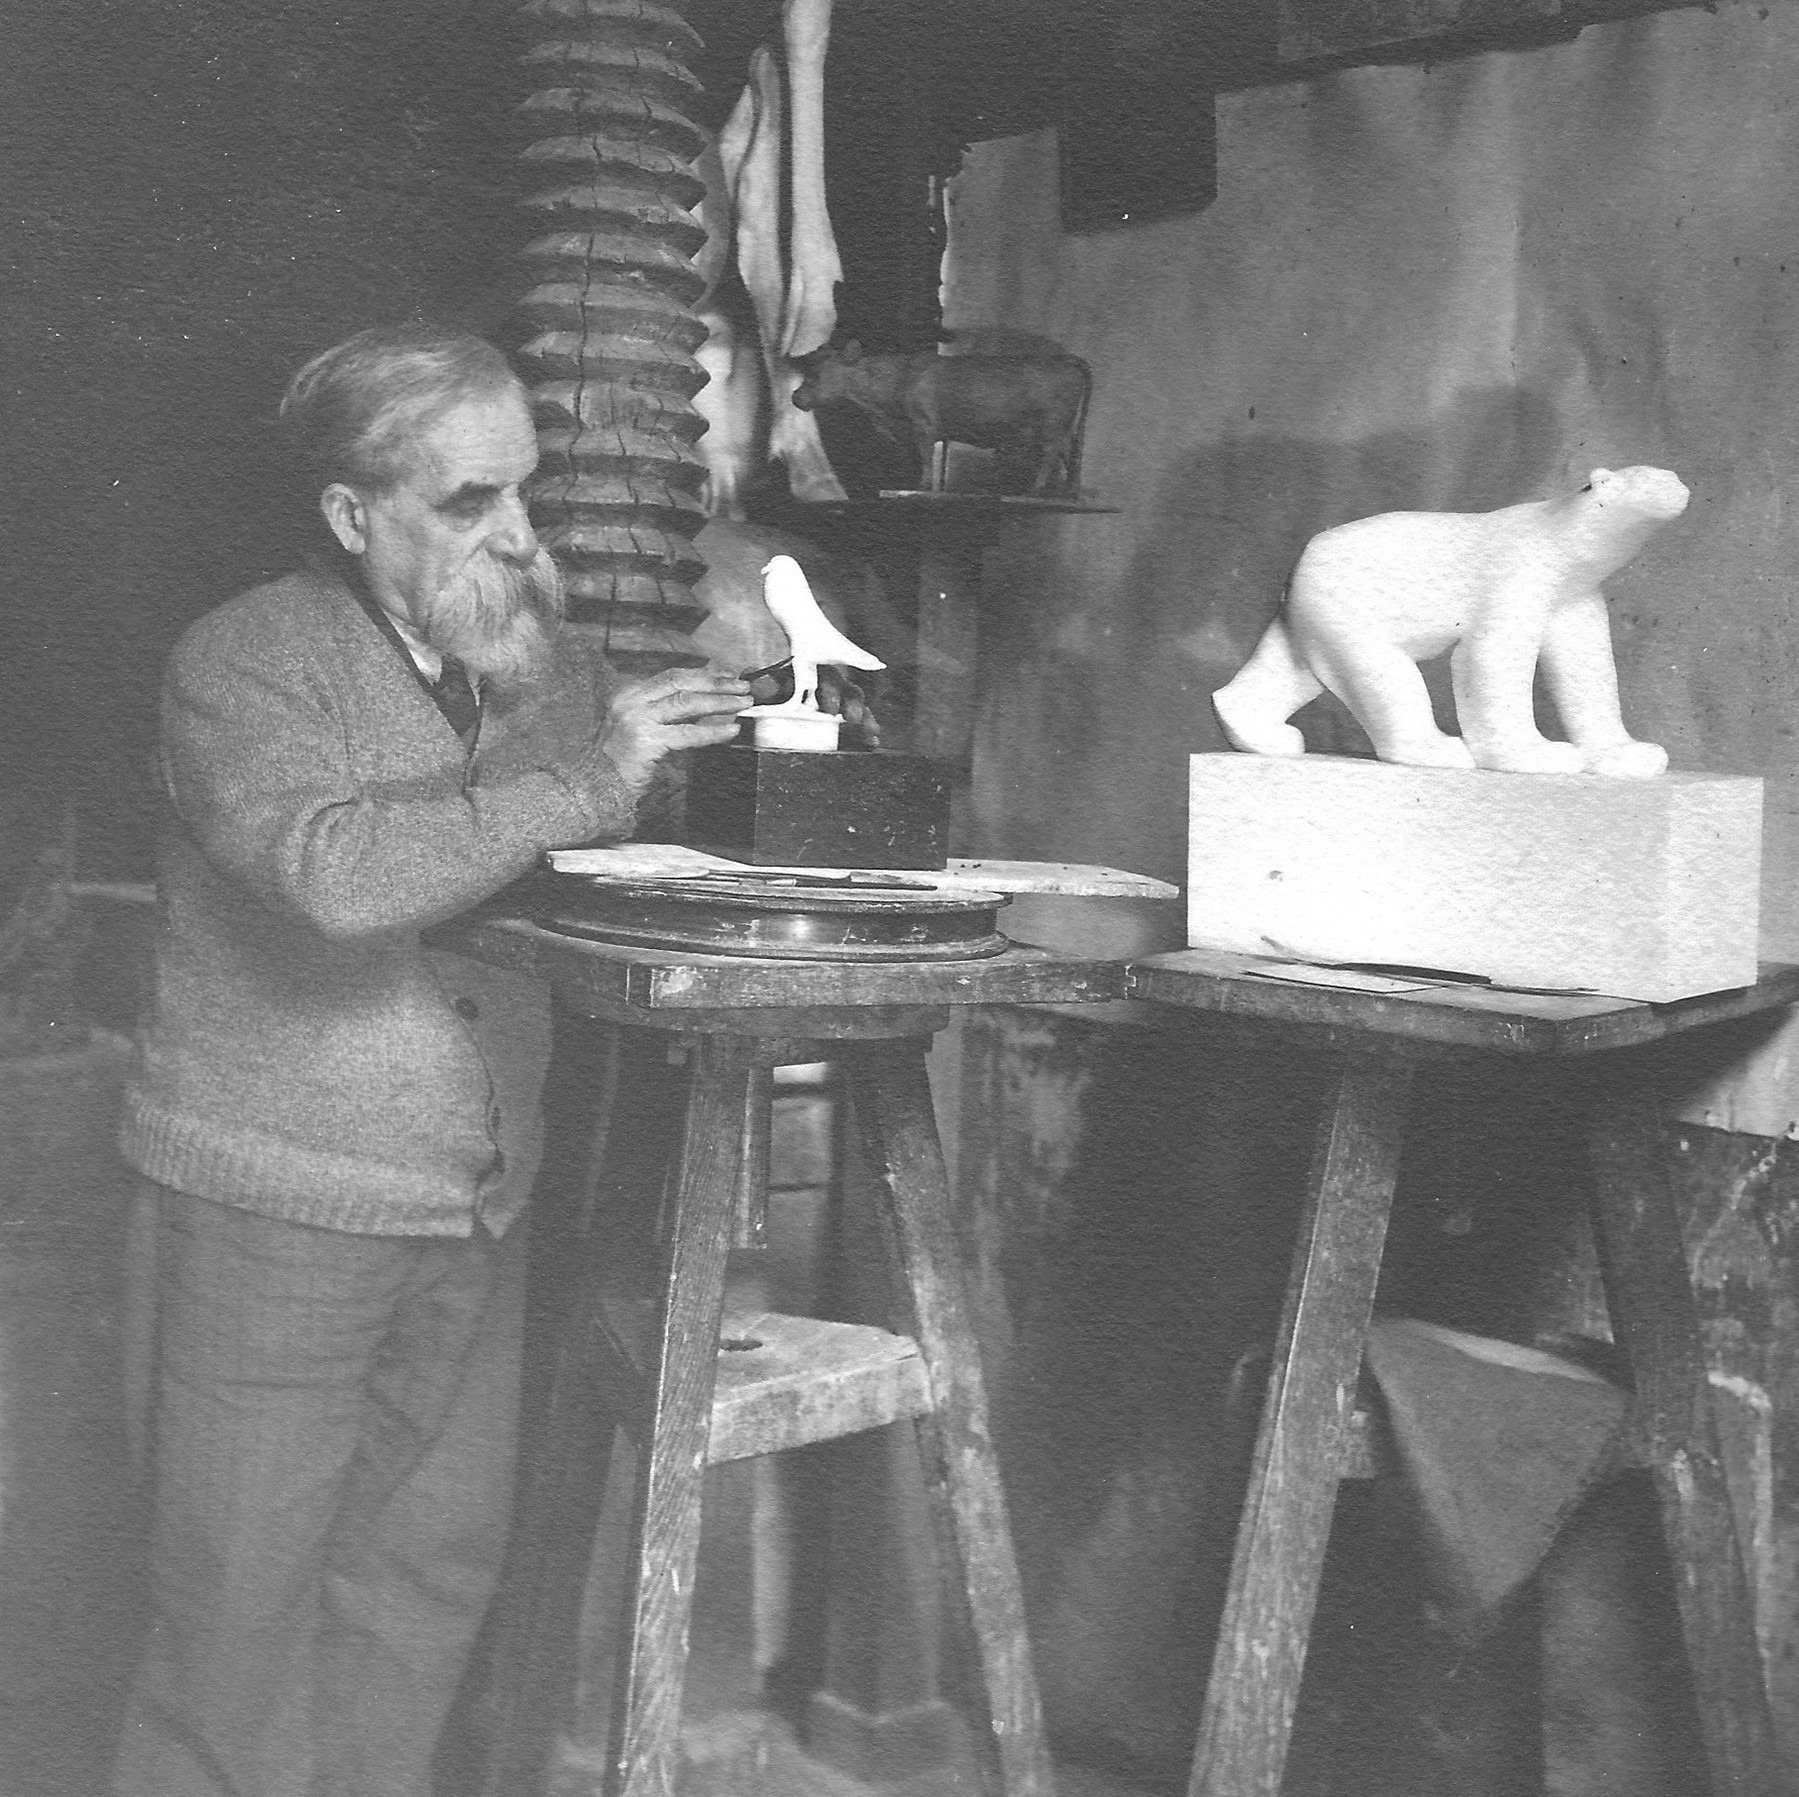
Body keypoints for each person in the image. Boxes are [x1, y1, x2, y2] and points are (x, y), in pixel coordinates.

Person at [111, 323, 757, 1797]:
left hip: (472, 1209)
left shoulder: (528, 661)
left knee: (418, 1594)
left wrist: (736, 713)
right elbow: (338, 873)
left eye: (524, 491)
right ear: (353, 515)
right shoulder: (243, 658)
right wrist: (593, 775)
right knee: (231, 1632)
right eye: (470, 502)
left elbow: (590, 812)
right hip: (278, 1209)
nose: (519, 536)